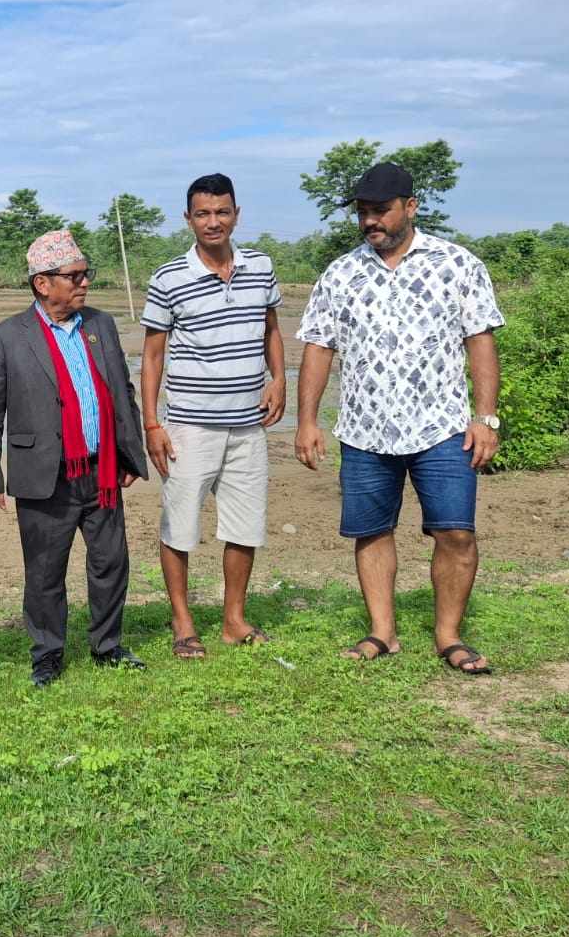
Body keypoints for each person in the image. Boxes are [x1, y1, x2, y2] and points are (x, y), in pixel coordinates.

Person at [294, 161, 505, 675]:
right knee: (371, 531)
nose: (371, 221)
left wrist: (486, 418)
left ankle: (449, 636)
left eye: (381, 210)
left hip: (444, 428)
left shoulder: (458, 264)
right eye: (363, 212)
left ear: (410, 207)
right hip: (365, 429)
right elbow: (320, 348)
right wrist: (307, 420)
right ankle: (382, 633)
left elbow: (479, 341)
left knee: (456, 533)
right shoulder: (341, 273)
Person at [0, 229, 149, 687]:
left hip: (102, 470)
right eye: (74, 276)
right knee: (46, 572)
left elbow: (121, 392)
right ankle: (48, 655)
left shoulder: (100, 325)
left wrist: (130, 454)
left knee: (111, 562)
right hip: (44, 473)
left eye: (85, 274)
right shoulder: (8, 337)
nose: (84, 283)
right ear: (42, 282)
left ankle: (106, 646)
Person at [140, 174, 285, 658]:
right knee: (179, 526)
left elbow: (271, 330)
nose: (213, 222)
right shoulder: (168, 278)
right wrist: (152, 424)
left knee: (245, 526)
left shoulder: (260, 267)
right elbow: (153, 357)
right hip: (188, 426)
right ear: (188, 219)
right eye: (202, 213)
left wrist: (278, 379)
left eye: (222, 212)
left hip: (248, 425)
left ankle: (233, 620)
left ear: (236, 214)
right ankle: (183, 623)